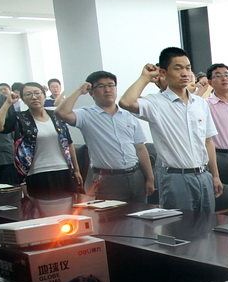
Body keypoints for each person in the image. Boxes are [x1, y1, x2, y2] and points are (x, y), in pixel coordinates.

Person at [119, 47, 223, 212]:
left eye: (188, 68)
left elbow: (208, 141)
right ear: (163, 72)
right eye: (178, 68)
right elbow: (126, 102)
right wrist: (145, 77)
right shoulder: (156, 102)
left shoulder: (200, 103)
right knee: (179, 226)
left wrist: (215, 176)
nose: (185, 73)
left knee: (208, 224)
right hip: (175, 178)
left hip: (203, 176)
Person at [56, 71, 155, 202]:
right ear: (91, 92)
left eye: (111, 85)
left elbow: (140, 148)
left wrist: (150, 178)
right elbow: (61, 112)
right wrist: (80, 90)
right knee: (112, 215)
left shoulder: (128, 115)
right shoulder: (86, 115)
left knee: (142, 213)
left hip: (136, 175)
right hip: (107, 179)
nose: (107, 89)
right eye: (101, 86)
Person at [0, 82, 83, 197]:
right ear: (23, 99)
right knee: (41, 205)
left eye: (37, 93)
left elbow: (69, 143)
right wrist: (8, 103)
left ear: (44, 95)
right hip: (36, 172)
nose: (34, 97)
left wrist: (76, 170)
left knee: (68, 204)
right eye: (28, 94)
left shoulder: (56, 116)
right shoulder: (20, 118)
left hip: (63, 170)